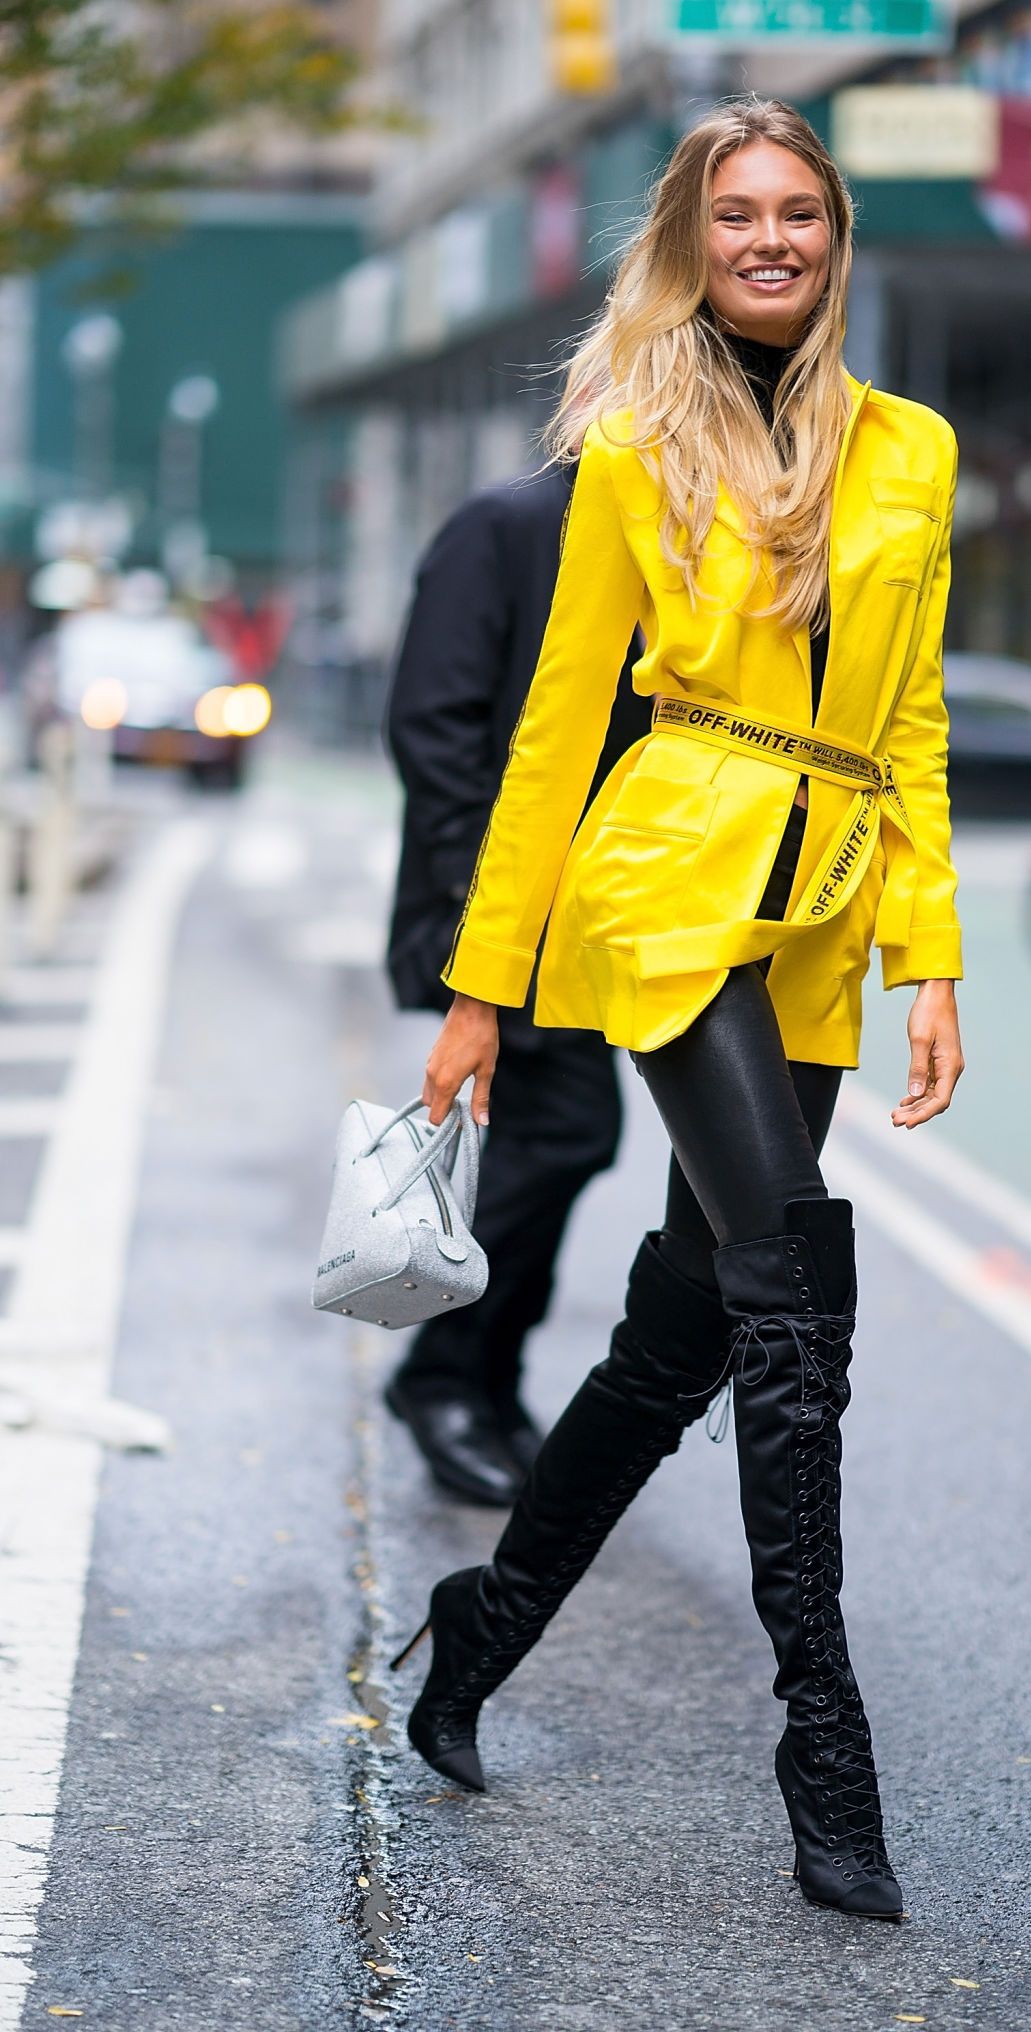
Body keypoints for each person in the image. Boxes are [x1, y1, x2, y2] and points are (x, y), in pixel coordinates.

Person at [392, 97, 965, 1921]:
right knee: (789, 1275)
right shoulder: (639, 449)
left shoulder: (914, 452)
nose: (772, 241)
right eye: (739, 216)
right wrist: (483, 987)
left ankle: (478, 1631)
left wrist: (929, 952)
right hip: (665, 891)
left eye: (800, 211)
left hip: (820, 913)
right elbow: (559, 733)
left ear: (838, 235)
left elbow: (915, 721)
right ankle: (826, 1745)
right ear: (693, 242)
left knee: (685, 1325)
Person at [384, 471, 647, 1503]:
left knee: (544, 1138)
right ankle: (445, 1375)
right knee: (565, 1130)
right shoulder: (507, 523)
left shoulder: (664, 537)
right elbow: (432, 723)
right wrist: (482, 906)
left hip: (595, 914)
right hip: (500, 907)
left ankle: (482, 1379)